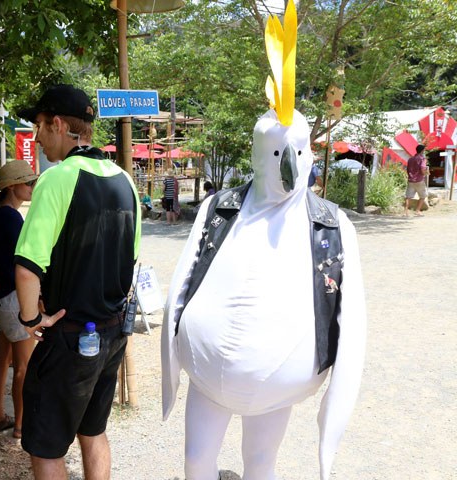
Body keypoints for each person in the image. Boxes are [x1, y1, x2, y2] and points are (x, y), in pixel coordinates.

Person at [162, 7, 366, 480]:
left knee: (261, 464)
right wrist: (172, 366)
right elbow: (183, 281)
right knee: (196, 461)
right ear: (258, 155)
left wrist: (329, 429)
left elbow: (351, 322)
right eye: (277, 154)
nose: (288, 167)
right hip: (208, 382)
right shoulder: (220, 208)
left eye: (296, 153)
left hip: (279, 387)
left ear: (309, 153)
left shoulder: (330, 227)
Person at [14, 84, 141, 480]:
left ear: (57, 124)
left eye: (38, 126)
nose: (35, 137)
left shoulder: (56, 178)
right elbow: (131, 259)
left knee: (48, 447)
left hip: (69, 338)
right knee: (94, 431)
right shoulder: (125, 181)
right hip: (111, 334)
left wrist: (31, 319)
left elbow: (27, 267)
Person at [0, 160, 39, 439]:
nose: (32, 187)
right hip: (12, 298)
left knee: (2, 359)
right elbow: (25, 261)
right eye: (29, 183)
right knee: (23, 366)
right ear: (13, 186)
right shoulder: (10, 217)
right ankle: (21, 425)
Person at [404, 144, 429, 217]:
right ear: (422, 151)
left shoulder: (410, 159)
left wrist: (410, 176)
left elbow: (408, 170)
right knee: (423, 195)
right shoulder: (422, 159)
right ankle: (417, 210)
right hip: (419, 180)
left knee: (408, 196)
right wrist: (427, 173)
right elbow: (422, 169)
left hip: (411, 180)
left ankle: (405, 212)